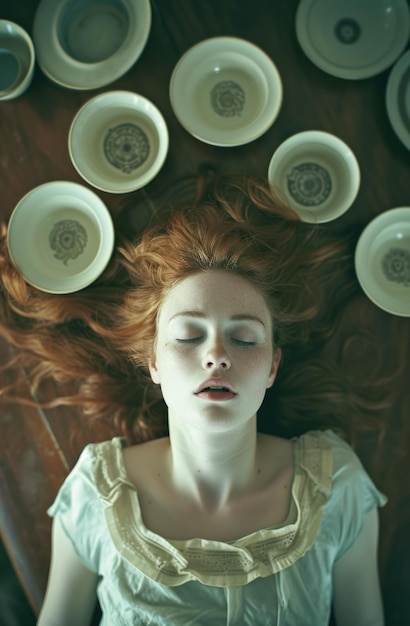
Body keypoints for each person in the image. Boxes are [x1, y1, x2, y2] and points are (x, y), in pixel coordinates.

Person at [0, 174, 386, 625]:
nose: (217, 356)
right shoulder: (97, 495)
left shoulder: (337, 488)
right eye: (187, 336)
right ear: (154, 364)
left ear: (273, 368)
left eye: (244, 338)